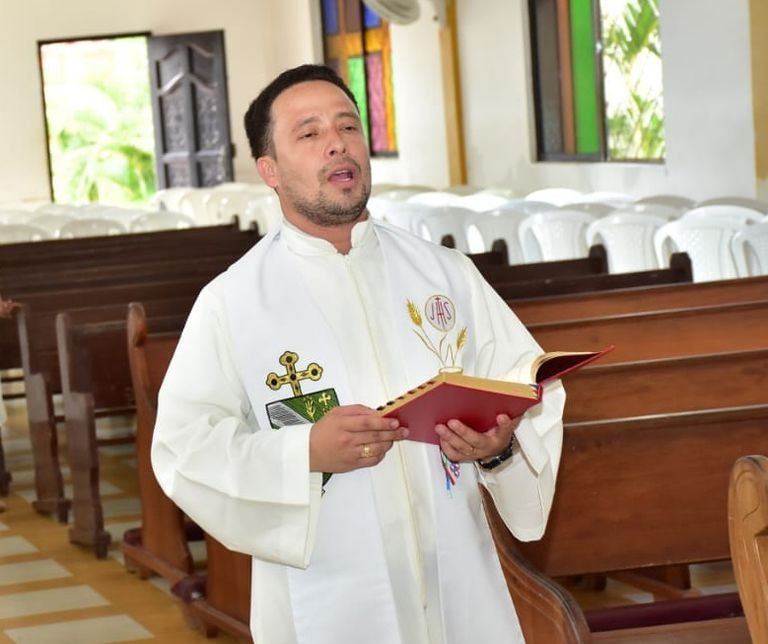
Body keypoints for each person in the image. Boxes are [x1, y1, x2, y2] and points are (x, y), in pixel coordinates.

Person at [152, 64, 566, 644]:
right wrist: (304, 452)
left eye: (348, 126)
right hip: (326, 595)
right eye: (309, 133)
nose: (337, 143)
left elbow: (528, 387)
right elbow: (182, 447)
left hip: (458, 577)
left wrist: (498, 448)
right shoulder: (234, 301)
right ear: (269, 170)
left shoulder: (446, 274)